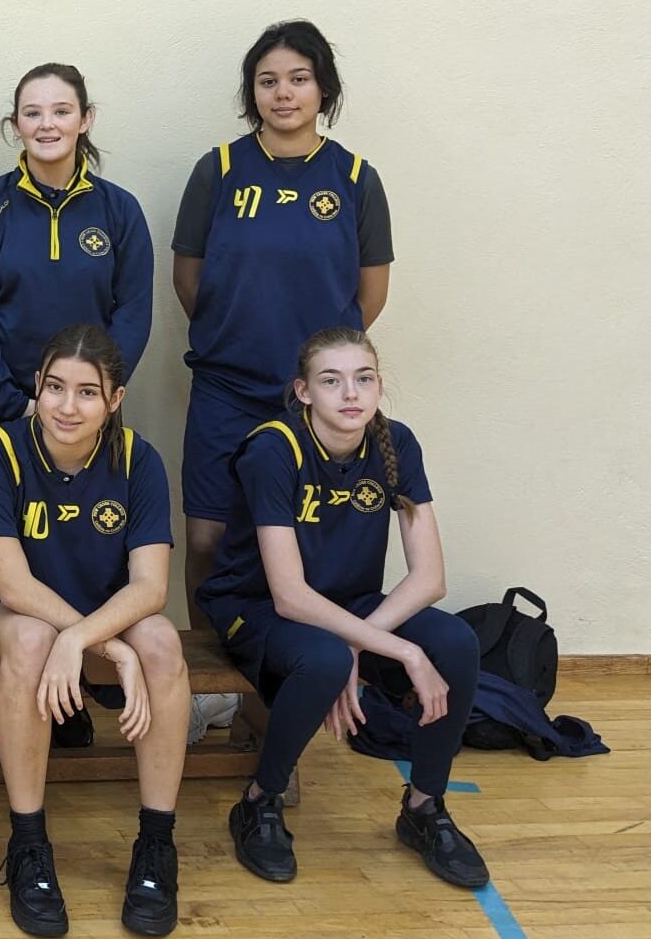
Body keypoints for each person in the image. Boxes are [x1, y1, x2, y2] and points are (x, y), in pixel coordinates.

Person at [199, 327, 486, 890]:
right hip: (255, 605)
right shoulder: (273, 448)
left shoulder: (397, 443)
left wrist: (358, 640)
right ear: (303, 391)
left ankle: (424, 806)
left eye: (364, 378)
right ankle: (260, 800)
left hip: (349, 606)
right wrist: (399, 651)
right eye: (331, 381)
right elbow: (289, 594)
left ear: (378, 386)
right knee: (327, 659)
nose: (351, 393)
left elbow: (430, 578)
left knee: (455, 644)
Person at [0, 324, 187, 937]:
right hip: (6, 623)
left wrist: (81, 639)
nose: (67, 405)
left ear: (115, 400)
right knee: (33, 639)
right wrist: (105, 646)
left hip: (87, 628)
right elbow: (13, 588)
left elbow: (151, 588)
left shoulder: (138, 459)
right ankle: (29, 845)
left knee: (161, 642)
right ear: (36, 385)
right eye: (55, 387)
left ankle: (156, 844)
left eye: (88, 392)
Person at [170, 20, 393, 617]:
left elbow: (370, 295)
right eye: (268, 81)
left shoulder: (355, 179)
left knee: (304, 542)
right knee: (208, 539)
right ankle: (208, 666)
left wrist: (323, 373)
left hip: (312, 399)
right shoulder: (218, 170)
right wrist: (232, 334)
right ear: (253, 93)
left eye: (299, 79)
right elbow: (187, 279)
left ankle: (298, 657)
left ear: (324, 89)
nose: (283, 93)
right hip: (225, 387)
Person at [0, 62, 152, 431]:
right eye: (32, 113)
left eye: (61, 111)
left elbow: (133, 313)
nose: (47, 124)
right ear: (16, 125)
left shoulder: (120, 209)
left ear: (85, 119)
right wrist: (13, 402)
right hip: (0, 409)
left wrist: (93, 395)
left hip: (85, 414)